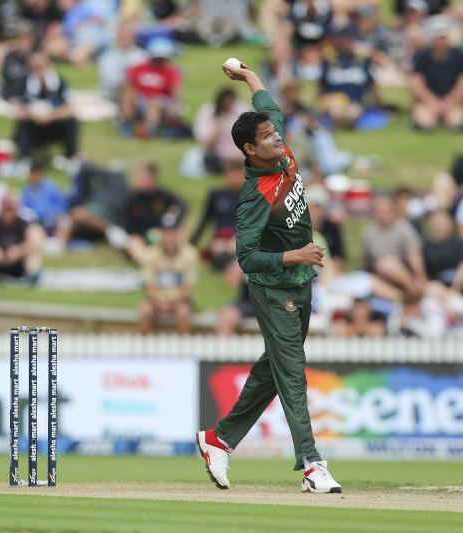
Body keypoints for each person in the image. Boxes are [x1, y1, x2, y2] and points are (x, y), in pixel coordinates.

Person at [196, 60, 342, 494]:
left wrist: (248, 76)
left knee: (274, 367)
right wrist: (296, 254)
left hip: (300, 283)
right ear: (249, 150)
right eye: (266, 137)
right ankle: (313, 466)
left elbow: (267, 104)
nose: (276, 138)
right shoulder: (253, 198)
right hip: (275, 288)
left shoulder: (278, 143)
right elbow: (246, 257)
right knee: (292, 371)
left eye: (275, 133)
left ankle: (218, 439)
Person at [137, 209, 197, 335]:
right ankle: (145, 348)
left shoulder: (190, 254)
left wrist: (173, 302)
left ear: (179, 232)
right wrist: (159, 302)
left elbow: (188, 287)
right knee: (144, 310)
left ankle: (183, 349)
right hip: (156, 299)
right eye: (166, 232)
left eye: (173, 232)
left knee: (183, 312)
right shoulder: (150, 254)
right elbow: (149, 284)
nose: (170, 236)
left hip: (180, 300)